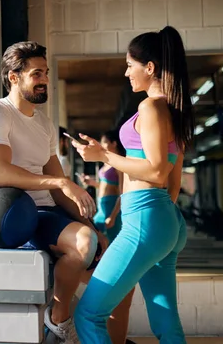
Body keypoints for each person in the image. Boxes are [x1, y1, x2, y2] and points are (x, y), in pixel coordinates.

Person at [0, 41, 105, 344]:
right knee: (83, 245)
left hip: (50, 212)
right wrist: (59, 183)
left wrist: (92, 227)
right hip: (18, 213)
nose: (44, 80)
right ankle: (59, 321)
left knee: (106, 257)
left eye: (45, 73)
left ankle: (104, 335)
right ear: (13, 77)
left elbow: (60, 188)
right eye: (36, 73)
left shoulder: (44, 124)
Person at [71, 26, 193, 344]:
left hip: (145, 220)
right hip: (165, 221)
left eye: (130, 65)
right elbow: (173, 182)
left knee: (88, 314)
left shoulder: (151, 107)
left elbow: (156, 172)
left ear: (149, 67)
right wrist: (159, 219)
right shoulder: (174, 110)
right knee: (167, 325)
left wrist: (105, 155)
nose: (127, 73)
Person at [79, 130, 134, 344]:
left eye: (104, 143)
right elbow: (104, 186)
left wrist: (114, 215)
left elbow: (122, 191)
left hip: (111, 210)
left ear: (112, 143)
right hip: (101, 210)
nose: (101, 146)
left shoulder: (119, 163)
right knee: (100, 250)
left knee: (111, 253)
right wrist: (90, 183)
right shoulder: (105, 163)